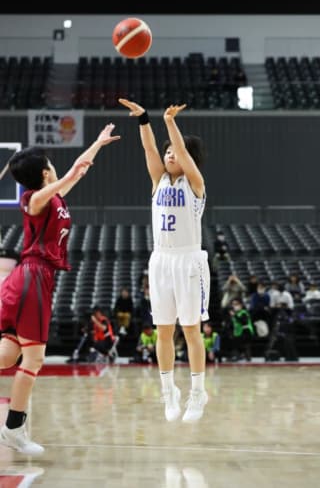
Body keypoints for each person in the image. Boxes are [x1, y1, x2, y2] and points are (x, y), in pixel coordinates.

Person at [0, 122, 121, 455]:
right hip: (32, 278)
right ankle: (13, 428)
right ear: (44, 172)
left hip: (32, 281)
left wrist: (96, 144)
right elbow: (69, 176)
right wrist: (71, 173)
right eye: (49, 162)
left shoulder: (53, 198)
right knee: (34, 358)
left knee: (9, 353)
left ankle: (14, 428)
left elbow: (76, 172)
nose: (55, 166)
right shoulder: (33, 199)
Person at [119, 98, 210, 423]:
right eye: (168, 150)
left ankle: (198, 393)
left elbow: (183, 154)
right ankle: (168, 392)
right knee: (163, 331)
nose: (169, 153)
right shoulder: (158, 181)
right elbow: (148, 151)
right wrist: (144, 119)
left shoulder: (195, 184)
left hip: (188, 262)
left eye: (174, 150)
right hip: (161, 261)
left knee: (191, 331)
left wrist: (170, 122)